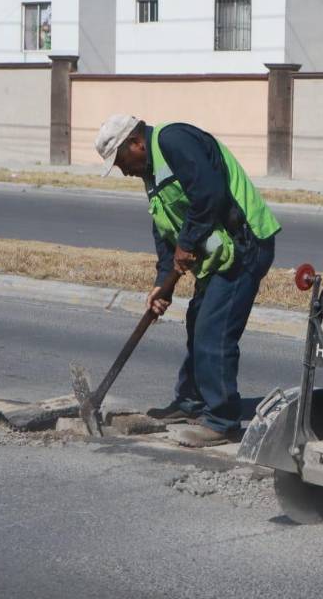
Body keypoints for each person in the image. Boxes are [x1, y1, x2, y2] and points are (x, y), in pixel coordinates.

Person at [95, 114, 280, 447]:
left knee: (214, 329)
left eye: (121, 161)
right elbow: (164, 227)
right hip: (218, 253)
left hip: (245, 244)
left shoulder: (173, 140)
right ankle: (190, 402)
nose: (124, 171)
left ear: (135, 143)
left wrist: (187, 242)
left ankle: (223, 421)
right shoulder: (150, 171)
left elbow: (210, 193)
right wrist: (162, 281)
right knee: (198, 322)